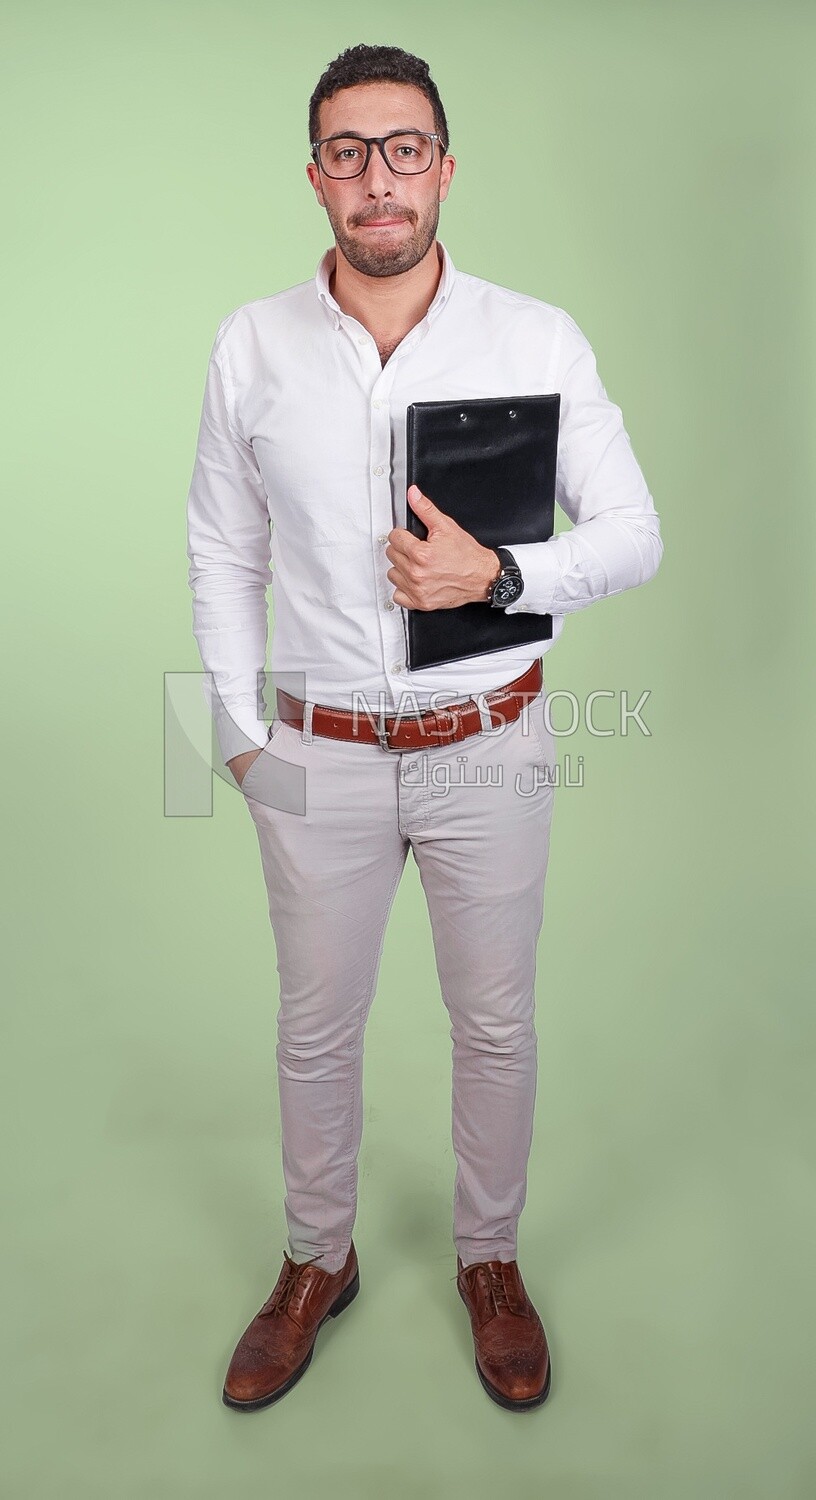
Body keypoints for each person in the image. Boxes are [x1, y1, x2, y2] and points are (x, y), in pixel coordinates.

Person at [185, 42, 663, 1414]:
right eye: (348, 152)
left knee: (496, 1024)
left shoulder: (540, 339)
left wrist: (503, 578)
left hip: (491, 742)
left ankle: (490, 1260)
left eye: (403, 149)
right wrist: (234, 735)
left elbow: (635, 534)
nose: (377, 179)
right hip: (316, 751)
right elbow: (222, 547)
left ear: (444, 166)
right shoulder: (250, 343)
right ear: (318, 179)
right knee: (313, 1030)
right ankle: (312, 1259)